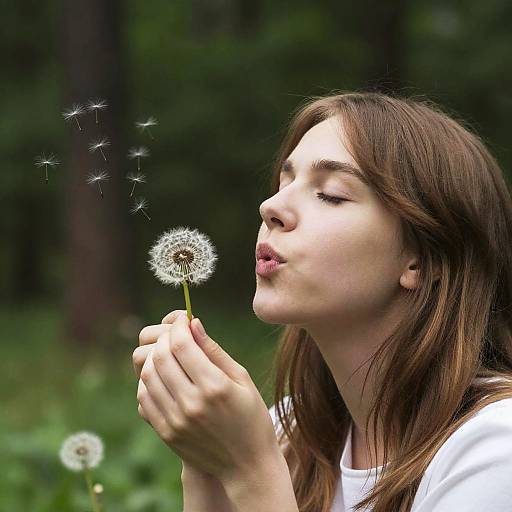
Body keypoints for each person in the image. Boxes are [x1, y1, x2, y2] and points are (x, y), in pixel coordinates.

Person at [133, 92, 512, 512]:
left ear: (421, 259)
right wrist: (204, 462)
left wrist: (249, 470)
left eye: (330, 193)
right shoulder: (290, 433)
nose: (271, 207)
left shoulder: (496, 448)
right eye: (285, 182)